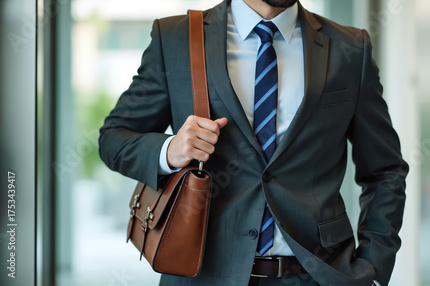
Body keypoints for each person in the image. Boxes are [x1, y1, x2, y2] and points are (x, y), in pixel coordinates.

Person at [99, 0, 409, 285]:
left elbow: (385, 170)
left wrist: (373, 263)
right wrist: (171, 150)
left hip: (317, 275)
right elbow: (114, 138)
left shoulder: (349, 47)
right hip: (204, 274)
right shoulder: (175, 38)